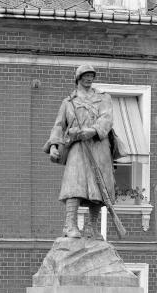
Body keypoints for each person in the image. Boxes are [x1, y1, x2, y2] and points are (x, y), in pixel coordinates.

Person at [44, 63, 116, 239]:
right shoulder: (68, 102)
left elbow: (107, 118)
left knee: (99, 187)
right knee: (74, 184)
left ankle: (91, 226)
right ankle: (70, 225)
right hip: (77, 146)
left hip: (98, 145)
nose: (89, 78)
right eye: (85, 75)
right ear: (78, 77)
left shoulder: (103, 98)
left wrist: (92, 131)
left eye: (91, 75)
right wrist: (54, 146)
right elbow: (59, 125)